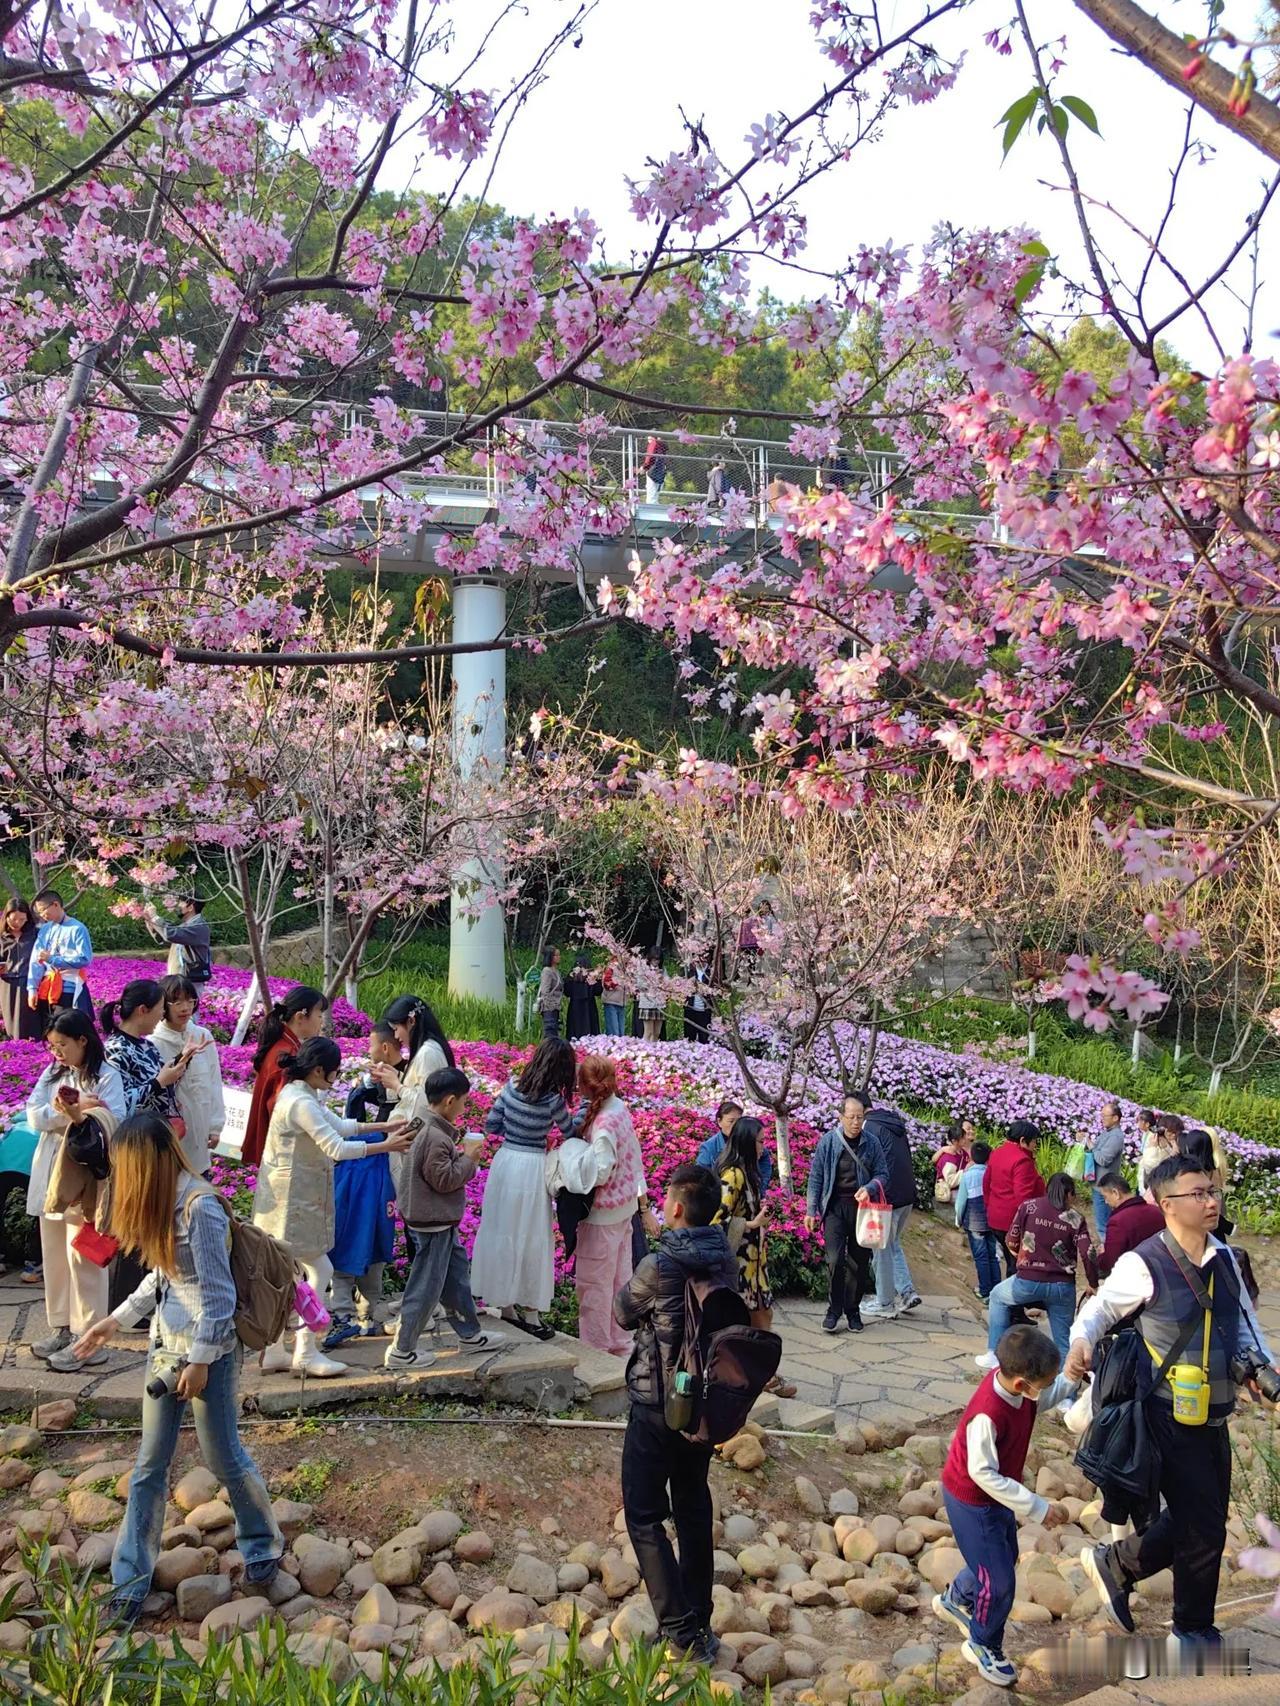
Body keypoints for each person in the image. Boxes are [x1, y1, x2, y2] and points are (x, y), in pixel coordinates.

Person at [69, 1113, 283, 1626]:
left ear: (146, 1163)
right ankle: (131, 1576)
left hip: (209, 1350)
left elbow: (218, 1296)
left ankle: (262, 1542)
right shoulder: (161, 1203)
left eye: (123, 1166)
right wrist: (113, 1323)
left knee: (222, 1453)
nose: (118, 1176)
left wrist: (202, 1363)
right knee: (149, 1462)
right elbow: (163, 1277)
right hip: (166, 1346)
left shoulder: (199, 1207)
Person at [1067, 1155, 1278, 1653]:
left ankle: (1118, 1565)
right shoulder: (1144, 1263)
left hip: (1214, 1410)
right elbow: (1097, 1310)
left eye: (1213, 1191)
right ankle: (1192, 1629)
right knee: (1201, 1521)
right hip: (1164, 1412)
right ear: (1167, 1205)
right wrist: (1079, 1343)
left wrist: (1265, 1374)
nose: (1211, 1201)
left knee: (1199, 1516)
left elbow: (1245, 1323)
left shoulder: (1225, 1258)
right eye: (1198, 1194)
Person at [614, 1162, 738, 1664]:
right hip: (702, 1404)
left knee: (643, 1514)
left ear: (677, 1208)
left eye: (666, 1199)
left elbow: (623, 1312)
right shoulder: (723, 1255)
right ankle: (701, 1622)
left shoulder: (660, 1263)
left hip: (656, 1401)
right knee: (691, 1507)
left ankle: (680, 1631)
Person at [253, 1037, 410, 1378]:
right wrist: (386, 1145)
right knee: (319, 1270)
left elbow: (341, 1126)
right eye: (334, 1074)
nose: (336, 1080)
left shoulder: (301, 1094)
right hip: (290, 1205)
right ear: (319, 1069)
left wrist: (384, 1127)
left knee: (290, 1276)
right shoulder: (300, 1102)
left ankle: (275, 1351)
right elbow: (336, 1146)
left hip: (293, 1201)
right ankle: (306, 1352)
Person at [932, 1325, 1076, 1688]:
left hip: (994, 1498)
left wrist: (1072, 1380)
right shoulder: (988, 1413)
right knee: (998, 1583)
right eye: (1044, 1382)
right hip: (972, 1500)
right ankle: (982, 1642)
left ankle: (955, 1598)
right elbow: (982, 1473)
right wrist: (1038, 1507)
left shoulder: (1022, 1393)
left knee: (1002, 1556)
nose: (1045, 1388)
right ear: (1020, 1385)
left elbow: (1044, 1398)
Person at [384, 1067, 507, 1371]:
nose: (465, 1108)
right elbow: (444, 1179)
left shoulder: (421, 1121)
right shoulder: (436, 1137)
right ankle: (402, 1351)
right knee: (426, 1286)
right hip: (433, 1222)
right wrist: (469, 1159)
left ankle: (470, 1334)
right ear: (450, 1100)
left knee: (455, 1279)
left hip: (429, 1218)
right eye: (464, 1102)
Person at [25, 1011, 126, 1370]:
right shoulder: (53, 1073)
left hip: (84, 1176)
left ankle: (89, 1339)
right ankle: (63, 1327)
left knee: (83, 1255)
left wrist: (80, 1116)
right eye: (52, 1046)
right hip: (52, 1171)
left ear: (83, 1040)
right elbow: (34, 1115)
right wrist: (70, 1113)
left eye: (63, 1045)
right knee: (54, 1253)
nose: (57, 1053)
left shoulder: (107, 1076)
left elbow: (114, 1120)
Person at [471, 1038, 577, 1340]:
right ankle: (531, 1313)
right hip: (532, 1167)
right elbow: (569, 1132)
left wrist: (514, 1132)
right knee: (532, 1236)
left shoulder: (511, 1087)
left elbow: (491, 1124)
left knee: (501, 1230)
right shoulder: (553, 1100)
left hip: (506, 1163)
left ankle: (504, 1305)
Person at [568, 1055, 655, 1357]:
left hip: (602, 1214)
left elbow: (601, 1170)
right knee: (620, 1281)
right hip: (625, 1210)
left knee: (595, 1285)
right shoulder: (619, 1109)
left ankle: (594, 1350)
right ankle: (619, 1344)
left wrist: (570, 1169)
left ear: (585, 1086)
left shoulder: (603, 1122)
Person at [326, 1020, 402, 1346]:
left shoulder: (346, 1154)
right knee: (373, 1256)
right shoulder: (384, 1146)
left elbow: (345, 1131)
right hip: (376, 1190)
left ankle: (343, 1315)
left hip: (353, 1191)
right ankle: (365, 1317)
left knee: (344, 1254)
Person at [976, 1173, 1098, 1367]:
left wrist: (1021, 1257)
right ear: (1069, 1194)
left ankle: (994, 1353)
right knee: (1063, 1341)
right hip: (1062, 1286)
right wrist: (1093, 1283)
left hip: (1027, 1282)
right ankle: (1067, 1394)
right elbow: (1088, 1252)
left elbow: (1011, 1239)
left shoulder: (1029, 1206)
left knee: (997, 1296)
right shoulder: (1076, 1218)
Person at [714, 1116, 796, 1396]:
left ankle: (760, 1375)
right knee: (757, 1320)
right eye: (760, 1141)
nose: (764, 1146)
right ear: (748, 1142)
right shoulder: (733, 1176)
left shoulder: (748, 1173)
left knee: (762, 1317)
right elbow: (716, 1220)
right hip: (740, 1267)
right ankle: (761, 1377)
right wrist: (750, 1225)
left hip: (754, 1265)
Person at [804, 1093, 877, 1333]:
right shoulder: (829, 1142)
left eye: (860, 1117)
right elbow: (816, 1177)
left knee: (859, 1263)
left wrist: (869, 1187)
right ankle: (834, 1310)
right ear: (841, 1117)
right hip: (835, 1209)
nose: (856, 1122)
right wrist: (811, 1210)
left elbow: (883, 1174)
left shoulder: (871, 1142)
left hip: (862, 1211)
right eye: (851, 1117)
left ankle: (853, 1311)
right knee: (835, 1260)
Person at [241, 986, 330, 1169]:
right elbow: (282, 1109)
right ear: (300, 1017)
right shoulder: (285, 1055)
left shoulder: (284, 1047)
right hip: (280, 1153)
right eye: (319, 1015)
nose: (321, 1021)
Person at [152, 975, 225, 1176]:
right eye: (177, 1002)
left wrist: (215, 1126)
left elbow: (214, 1083)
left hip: (200, 1131)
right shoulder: (154, 1043)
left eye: (190, 1001)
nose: (185, 1008)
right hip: (171, 1136)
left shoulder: (203, 1036)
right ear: (163, 1005)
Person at [855, 1104, 922, 1318]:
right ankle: (907, 1292)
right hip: (906, 1197)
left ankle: (884, 1303)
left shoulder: (870, 1126)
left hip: (886, 1198)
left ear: (862, 1110)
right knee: (892, 1244)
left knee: (880, 1249)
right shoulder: (894, 1124)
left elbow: (865, 1162)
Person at [982, 1121, 1045, 1278]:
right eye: (1034, 1142)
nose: (1035, 1146)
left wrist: (990, 1206)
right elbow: (1023, 1197)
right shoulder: (1022, 1160)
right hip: (1013, 1222)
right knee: (1018, 1265)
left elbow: (986, 1182)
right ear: (1023, 1140)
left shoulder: (997, 1152)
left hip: (996, 1217)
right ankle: (1012, 1300)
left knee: (1011, 1260)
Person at [27, 889, 93, 1018]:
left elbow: (85, 959)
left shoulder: (77, 929)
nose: (41, 915)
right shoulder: (45, 929)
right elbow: (36, 960)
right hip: (47, 987)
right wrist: (32, 989)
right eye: (38, 912)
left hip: (68, 988)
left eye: (43, 910)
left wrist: (53, 959)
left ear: (56, 904)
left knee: (65, 1029)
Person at [1094, 1170, 1164, 1277]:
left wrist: (1102, 1255)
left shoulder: (1118, 1222)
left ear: (1116, 1193)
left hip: (1135, 1278)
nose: (1106, 1202)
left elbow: (1110, 1261)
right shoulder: (1156, 1211)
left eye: (1105, 1197)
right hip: (1163, 1271)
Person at [955, 1141, 1000, 1302]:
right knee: (992, 1255)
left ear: (971, 1157)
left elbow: (961, 1201)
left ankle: (985, 1290)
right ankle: (996, 1290)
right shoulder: (992, 1174)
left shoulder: (967, 1176)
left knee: (981, 1256)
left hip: (974, 1223)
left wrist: (958, 1219)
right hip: (991, 1220)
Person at [697, 1097, 773, 1191]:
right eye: (731, 1121)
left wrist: (758, 1191)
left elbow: (764, 1168)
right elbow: (701, 1177)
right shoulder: (709, 1147)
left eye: (738, 1121)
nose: (735, 1125)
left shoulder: (749, 1142)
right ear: (719, 1121)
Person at [0, 897, 42, 1041]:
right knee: (12, 1021)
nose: (17, 923)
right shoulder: (2, 936)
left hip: (30, 982)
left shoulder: (35, 934)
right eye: (13, 919)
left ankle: (34, 1051)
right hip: (8, 983)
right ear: (6, 917)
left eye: (21, 919)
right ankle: (17, 1051)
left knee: (32, 1020)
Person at [153, 893, 213, 983]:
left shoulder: (198, 926)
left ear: (190, 907)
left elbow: (170, 934)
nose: (178, 905)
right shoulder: (186, 925)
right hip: (180, 981)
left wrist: (155, 917)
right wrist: (150, 920)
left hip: (190, 982)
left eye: (181, 902)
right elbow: (164, 939)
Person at [1087, 1101, 1126, 1239]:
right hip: (1098, 1184)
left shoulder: (1116, 1136)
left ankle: (1108, 1252)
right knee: (1102, 1222)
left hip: (1104, 1186)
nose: (1102, 1118)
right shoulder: (1107, 1133)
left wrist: (1091, 1147)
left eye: (1105, 1116)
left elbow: (1103, 1159)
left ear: (1115, 1118)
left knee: (1103, 1226)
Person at [1137, 1113, 1183, 1201]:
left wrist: (1173, 1149)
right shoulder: (1155, 1145)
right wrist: (1153, 1148)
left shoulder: (1172, 1146)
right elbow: (1149, 1166)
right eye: (1171, 1134)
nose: (1173, 1137)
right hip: (1149, 1190)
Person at [565, 953, 603, 1040]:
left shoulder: (571, 976)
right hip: (589, 1006)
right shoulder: (592, 976)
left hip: (575, 1006)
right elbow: (598, 991)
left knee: (575, 1028)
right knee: (590, 1027)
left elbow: (567, 992)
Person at [932, 1122, 970, 1203]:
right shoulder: (948, 1158)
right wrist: (966, 1171)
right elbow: (950, 1182)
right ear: (954, 1141)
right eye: (962, 1138)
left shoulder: (964, 1154)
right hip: (946, 1191)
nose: (965, 1139)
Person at [638, 948, 665, 1042]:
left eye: (658, 959)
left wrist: (662, 980)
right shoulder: (643, 969)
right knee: (648, 1032)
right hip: (647, 1003)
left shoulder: (662, 970)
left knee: (657, 1032)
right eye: (654, 959)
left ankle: (654, 1051)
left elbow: (667, 983)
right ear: (649, 959)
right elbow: (639, 984)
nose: (656, 962)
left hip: (659, 1003)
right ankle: (645, 1051)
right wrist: (652, 980)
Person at [536, 948, 564, 1040]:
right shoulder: (547, 971)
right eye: (556, 955)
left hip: (556, 1006)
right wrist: (551, 1006)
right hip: (549, 1007)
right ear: (551, 957)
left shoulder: (556, 971)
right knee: (550, 1032)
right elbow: (545, 991)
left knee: (554, 1032)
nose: (559, 957)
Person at [682, 964, 712, 1044]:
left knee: (704, 1038)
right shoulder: (689, 971)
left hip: (705, 1009)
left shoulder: (711, 971)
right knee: (689, 1037)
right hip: (690, 1008)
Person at [601, 962, 628, 1037]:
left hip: (622, 1003)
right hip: (611, 1002)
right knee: (614, 1032)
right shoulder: (611, 967)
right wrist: (617, 982)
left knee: (621, 1033)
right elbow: (606, 983)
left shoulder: (627, 968)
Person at [641, 433, 667, 503]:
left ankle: (650, 512)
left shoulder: (653, 443)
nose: (648, 439)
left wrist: (644, 467)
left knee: (651, 497)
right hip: (661, 473)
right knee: (655, 496)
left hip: (652, 472)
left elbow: (650, 457)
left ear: (651, 437)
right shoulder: (662, 446)